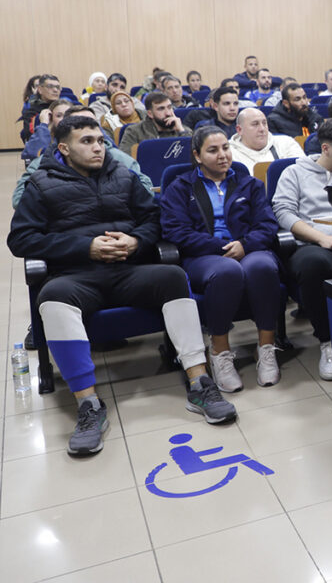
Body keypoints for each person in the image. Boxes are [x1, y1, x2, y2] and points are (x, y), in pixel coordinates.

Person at [8, 116, 236, 455]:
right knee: (51, 297)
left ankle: (199, 381)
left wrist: (134, 242)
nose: (98, 147)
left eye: (100, 140)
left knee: (173, 277)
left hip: (128, 270)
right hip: (77, 275)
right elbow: (21, 239)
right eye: (86, 141)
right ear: (64, 148)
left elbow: (154, 220)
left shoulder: (123, 176)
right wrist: (85, 247)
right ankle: (88, 404)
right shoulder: (41, 184)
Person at [160, 126, 283, 391]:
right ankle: (220, 352)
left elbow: (266, 224)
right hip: (204, 256)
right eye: (213, 150)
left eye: (225, 148)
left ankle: (266, 348)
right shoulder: (180, 187)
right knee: (227, 271)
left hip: (248, 250)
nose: (222, 155)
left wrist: (245, 244)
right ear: (197, 155)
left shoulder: (250, 184)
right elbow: (176, 231)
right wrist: (220, 246)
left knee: (262, 266)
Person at [272, 121, 332, 380]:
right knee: (315, 265)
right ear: (325, 148)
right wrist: (322, 239)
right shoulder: (295, 173)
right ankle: (328, 342)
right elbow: (283, 213)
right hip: (313, 243)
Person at [14, 105, 154, 208]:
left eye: (92, 122)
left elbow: (146, 192)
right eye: (80, 123)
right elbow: (20, 201)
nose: (88, 126)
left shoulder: (120, 159)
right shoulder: (43, 163)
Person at [228, 107, 305, 173]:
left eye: (264, 123)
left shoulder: (286, 143)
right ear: (239, 130)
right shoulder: (228, 152)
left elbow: (304, 172)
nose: (262, 129)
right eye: (255, 124)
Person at [119, 92, 192, 155]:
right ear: (150, 114)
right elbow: (125, 159)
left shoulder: (181, 129)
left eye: (169, 107)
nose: (168, 113)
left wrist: (182, 132)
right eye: (161, 109)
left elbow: (194, 155)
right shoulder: (134, 132)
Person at [20, 74, 61, 143]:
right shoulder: (32, 113)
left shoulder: (65, 107)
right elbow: (32, 138)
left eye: (58, 87)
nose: (55, 90)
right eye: (50, 86)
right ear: (40, 89)